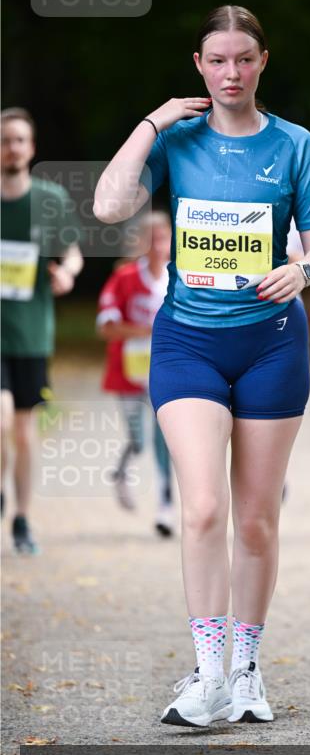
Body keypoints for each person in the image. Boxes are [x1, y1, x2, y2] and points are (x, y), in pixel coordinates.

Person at [94, 5, 310, 726]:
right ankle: (205, 674)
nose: (230, 73)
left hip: (271, 345)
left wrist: (303, 270)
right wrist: (151, 122)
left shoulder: (295, 145)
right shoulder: (178, 141)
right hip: (188, 344)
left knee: (256, 521)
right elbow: (109, 207)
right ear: (198, 66)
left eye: (243, 59)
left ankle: (247, 671)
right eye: (217, 60)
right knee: (202, 508)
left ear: (262, 62)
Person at [1, 107, 83, 554]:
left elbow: (71, 251)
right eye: (4, 140)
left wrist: (67, 274)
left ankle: (22, 517)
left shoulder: (49, 199)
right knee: (1, 419)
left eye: (18, 140)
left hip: (31, 333)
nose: (10, 148)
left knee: (23, 428)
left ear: (31, 149)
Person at [96, 211, 173, 536]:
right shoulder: (125, 277)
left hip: (166, 371)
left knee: (165, 436)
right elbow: (106, 328)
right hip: (129, 372)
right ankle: (122, 471)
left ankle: (165, 506)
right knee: (138, 440)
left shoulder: (181, 276)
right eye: (153, 239)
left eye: (164, 237)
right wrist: (143, 331)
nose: (159, 246)